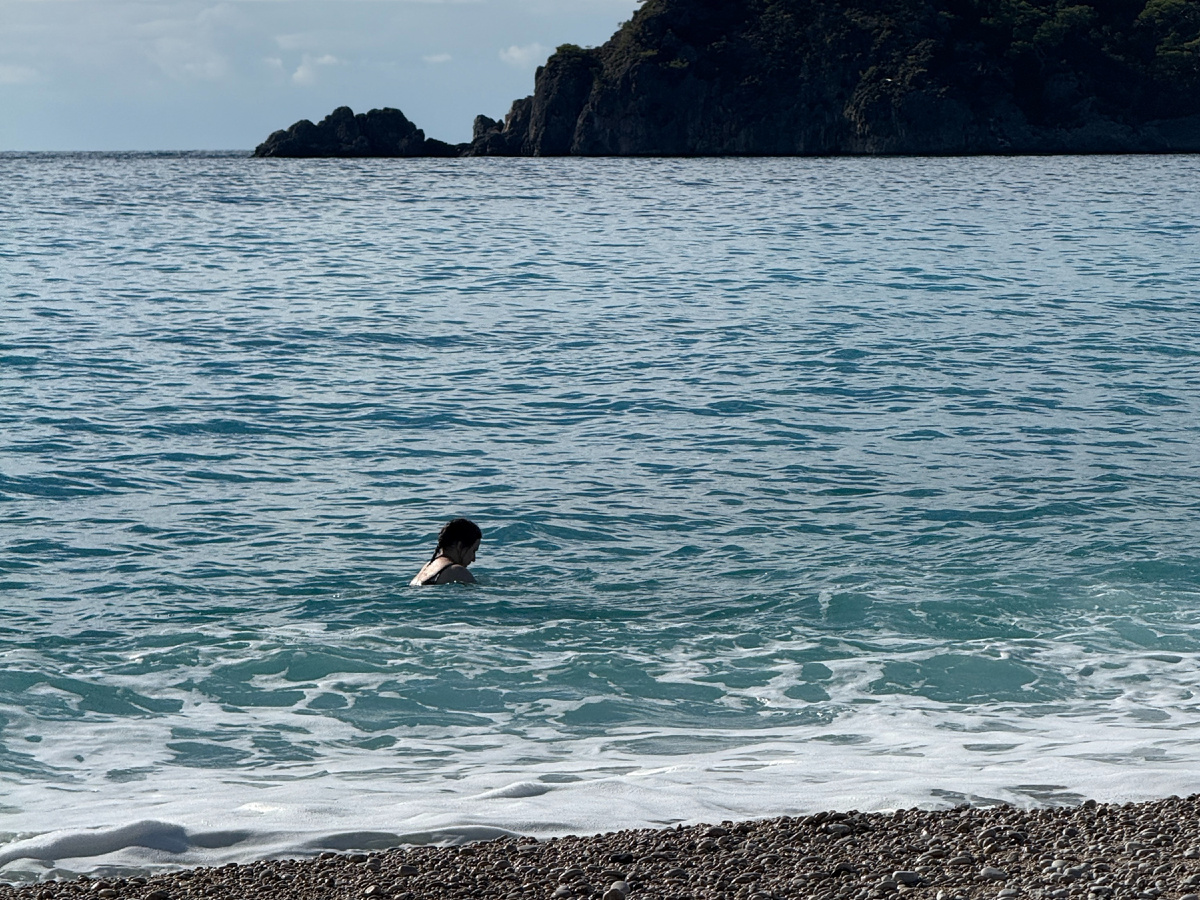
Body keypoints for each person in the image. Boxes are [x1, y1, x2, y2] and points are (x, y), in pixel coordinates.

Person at [411, 518, 482, 586]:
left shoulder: (428, 566)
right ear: (459, 546)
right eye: (473, 551)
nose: (473, 559)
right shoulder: (457, 571)